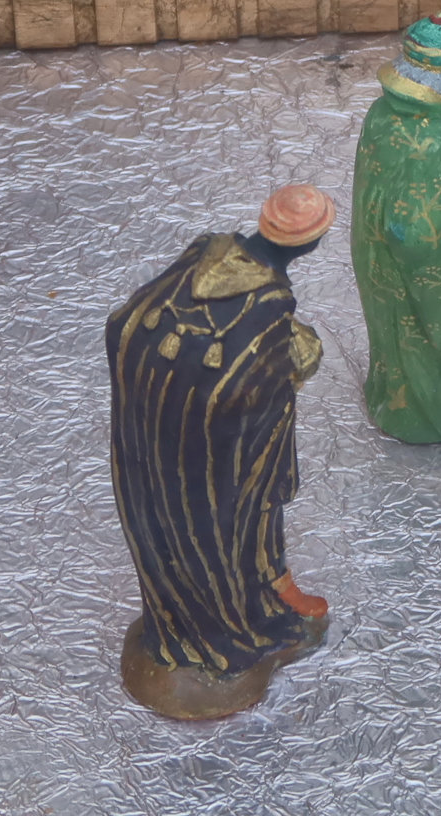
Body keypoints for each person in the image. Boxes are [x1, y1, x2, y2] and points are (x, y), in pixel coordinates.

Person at [106, 185, 336, 719]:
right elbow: (248, 381)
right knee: (230, 530)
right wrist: (291, 360)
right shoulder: (268, 304)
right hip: (219, 458)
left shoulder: (205, 252)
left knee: (180, 526)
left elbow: (130, 321)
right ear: (311, 244)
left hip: (156, 436)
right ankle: (233, 638)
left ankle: (202, 627)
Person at [352, 15, 441, 444]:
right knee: (420, 343)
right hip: (419, 270)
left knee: (390, 339)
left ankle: (391, 397)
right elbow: (415, 231)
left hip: (377, 260)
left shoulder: (380, 114)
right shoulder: (434, 140)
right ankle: (428, 415)